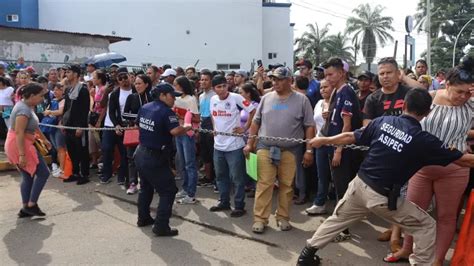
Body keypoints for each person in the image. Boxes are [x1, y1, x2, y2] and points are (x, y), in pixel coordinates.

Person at [297, 88, 474, 266]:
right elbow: (463, 160)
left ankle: (306, 255)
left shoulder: (383, 121)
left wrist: (324, 140)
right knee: (426, 226)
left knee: (337, 220)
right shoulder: (424, 140)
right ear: (428, 112)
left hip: (358, 186)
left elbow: (351, 136)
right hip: (381, 197)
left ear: (403, 105)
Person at [392, 56, 474, 265]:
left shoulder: (470, 106)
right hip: (421, 168)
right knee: (413, 213)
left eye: (468, 92)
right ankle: (406, 249)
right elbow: (416, 92)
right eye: (459, 91)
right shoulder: (428, 99)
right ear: (447, 84)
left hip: (455, 169)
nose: (463, 96)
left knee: (446, 217)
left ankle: (437, 259)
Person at [244, 67, 315, 233]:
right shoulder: (266, 98)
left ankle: (283, 217)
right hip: (265, 147)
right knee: (264, 183)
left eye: (279, 79)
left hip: (291, 150)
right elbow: (256, 122)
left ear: (290, 80)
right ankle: (260, 219)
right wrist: (249, 143)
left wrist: (309, 150)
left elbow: (309, 126)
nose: (275, 82)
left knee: (287, 185)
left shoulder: (302, 100)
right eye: (273, 79)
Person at [134, 83, 191, 236]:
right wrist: (186, 126)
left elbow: (138, 125)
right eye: (173, 96)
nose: (174, 100)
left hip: (140, 153)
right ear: (163, 96)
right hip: (154, 156)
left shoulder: (145, 107)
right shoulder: (166, 112)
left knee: (146, 187)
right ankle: (161, 226)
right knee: (168, 190)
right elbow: (175, 131)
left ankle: (143, 218)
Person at [316, 57, 363, 241]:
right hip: (332, 144)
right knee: (338, 187)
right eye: (325, 74)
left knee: (342, 188)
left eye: (330, 74)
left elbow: (347, 126)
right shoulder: (336, 91)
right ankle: (341, 223)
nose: (326, 78)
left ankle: (343, 228)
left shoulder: (347, 92)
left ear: (341, 73)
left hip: (341, 148)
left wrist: (338, 150)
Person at [208, 75, 255, 217]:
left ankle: (239, 206)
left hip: (234, 146)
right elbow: (212, 115)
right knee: (221, 176)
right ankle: (224, 202)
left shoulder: (236, 98)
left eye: (224, 86)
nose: (222, 89)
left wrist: (245, 127)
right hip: (218, 145)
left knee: (237, 178)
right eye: (218, 87)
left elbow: (253, 111)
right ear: (213, 89)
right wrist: (214, 127)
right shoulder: (213, 99)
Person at [5, 83, 52, 217]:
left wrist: (44, 139)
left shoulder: (27, 106)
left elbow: (33, 127)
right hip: (20, 144)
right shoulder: (23, 110)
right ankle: (31, 205)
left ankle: (26, 207)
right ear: (31, 96)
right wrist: (22, 155)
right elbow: (19, 132)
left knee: (28, 176)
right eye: (40, 96)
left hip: (22, 142)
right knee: (43, 173)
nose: (42, 98)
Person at [306, 79, 334, 215]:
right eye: (321, 87)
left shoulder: (338, 103)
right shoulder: (318, 103)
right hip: (319, 144)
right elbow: (312, 123)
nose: (323, 90)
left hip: (335, 145)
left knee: (337, 178)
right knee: (321, 176)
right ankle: (320, 202)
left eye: (326, 87)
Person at [101, 67, 133, 187]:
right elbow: (111, 111)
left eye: (125, 77)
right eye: (120, 78)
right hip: (111, 125)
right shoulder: (114, 93)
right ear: (117, 80)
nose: (124, 80)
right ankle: (106, 174)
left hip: (128, 126)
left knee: (125, 153)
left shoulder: (135, 91)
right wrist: (116, 125)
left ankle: (123, 176)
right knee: (106, 149)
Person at [172, 76, 200, 204]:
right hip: (178, 132)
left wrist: (182, 116)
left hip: (188, 133)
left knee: (190, 164)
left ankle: (191, 193)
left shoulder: (191, 99)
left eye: (175, 84)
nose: (174, 87)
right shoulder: (176, 98)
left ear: (182, 86)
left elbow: (197, 118)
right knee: (182, 162)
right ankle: (185, 188)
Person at [123, 74, 151, 194]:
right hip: (133, 130)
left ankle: (149, 183)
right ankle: (133, 183)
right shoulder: (132, 97)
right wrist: (137, 119)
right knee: (131, 158)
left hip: (149, 131)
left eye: (140, 83)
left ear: (146, 84)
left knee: (149, 158)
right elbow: (125, 114)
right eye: (136, 83)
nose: (137, 86)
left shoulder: (151, 97)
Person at [62, 64, 90, 185]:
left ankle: (84, 174)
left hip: (79, 126)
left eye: (69, 72)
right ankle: (75, 173)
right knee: (72, 150)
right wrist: (63, 122)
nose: (66, 74)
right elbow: (66, 108)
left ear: (76, 74)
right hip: (69, 125)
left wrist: (81, 126)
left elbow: (85, 110)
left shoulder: (83, 90)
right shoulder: (68, 89)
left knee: (82, 150)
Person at [42, 83, 66, 178]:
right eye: (54, 90)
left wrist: (50, 112)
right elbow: (45, 112)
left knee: (61, 148)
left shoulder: (64, 100)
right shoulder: (52, 100)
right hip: (51, 127)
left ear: (62, 91)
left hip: (59, 127)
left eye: (58, 90)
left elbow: (60, 112)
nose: (55, 92)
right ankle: (61, 167)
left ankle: (63, 168)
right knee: (56, 148)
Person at [197, 70, 216, 187]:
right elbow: (200, 113)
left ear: (211, 81)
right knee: (205, 153)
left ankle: (216, 179)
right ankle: (208, 177)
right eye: (202, 79)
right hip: (202, 123)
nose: (203, 82)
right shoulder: (200, 96)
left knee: (213, 152)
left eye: (206, 79)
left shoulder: (215, 95)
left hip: (212, 123)